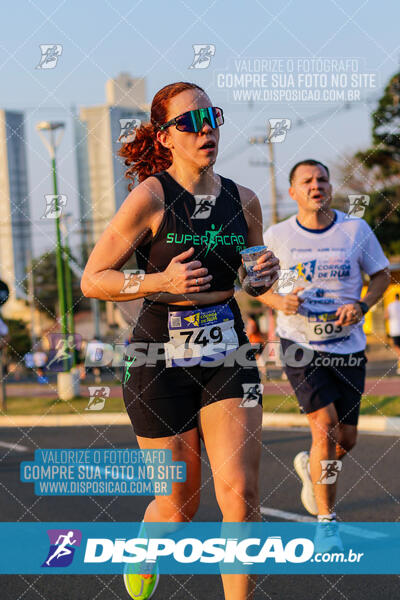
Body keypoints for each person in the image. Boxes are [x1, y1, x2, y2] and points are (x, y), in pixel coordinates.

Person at [81, 82, 279, 600]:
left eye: (210, 116)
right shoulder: (150, 196)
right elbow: (94, 278)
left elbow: (255, 276)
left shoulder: (245, 200)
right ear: (166, 137)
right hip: (157, 354)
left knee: (240, 494)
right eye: (189, 122)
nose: (205, 128)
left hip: (228, 348)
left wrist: (264, 276)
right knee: (178, 507)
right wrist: (158, 281)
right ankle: (147, 546)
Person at [260, 159, 390, 549]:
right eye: (307, 181)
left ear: (331, 187)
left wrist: (363, 306)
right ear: (293, 193)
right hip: (300, 344)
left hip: (348, 345)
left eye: (322, 179)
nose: (316, 185)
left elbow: (381, 275)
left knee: (345, 439)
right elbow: (255, 283)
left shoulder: (356, 229)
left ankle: (309, 465)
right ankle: (326, 522)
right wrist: (277, 301)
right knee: (325, 425)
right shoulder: (277, 235)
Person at [385, 293, 400, 374]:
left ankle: (399, 367)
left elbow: (386, 316)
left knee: (398, 349)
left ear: (394, 298)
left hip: (394, 330)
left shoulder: (390, 305)